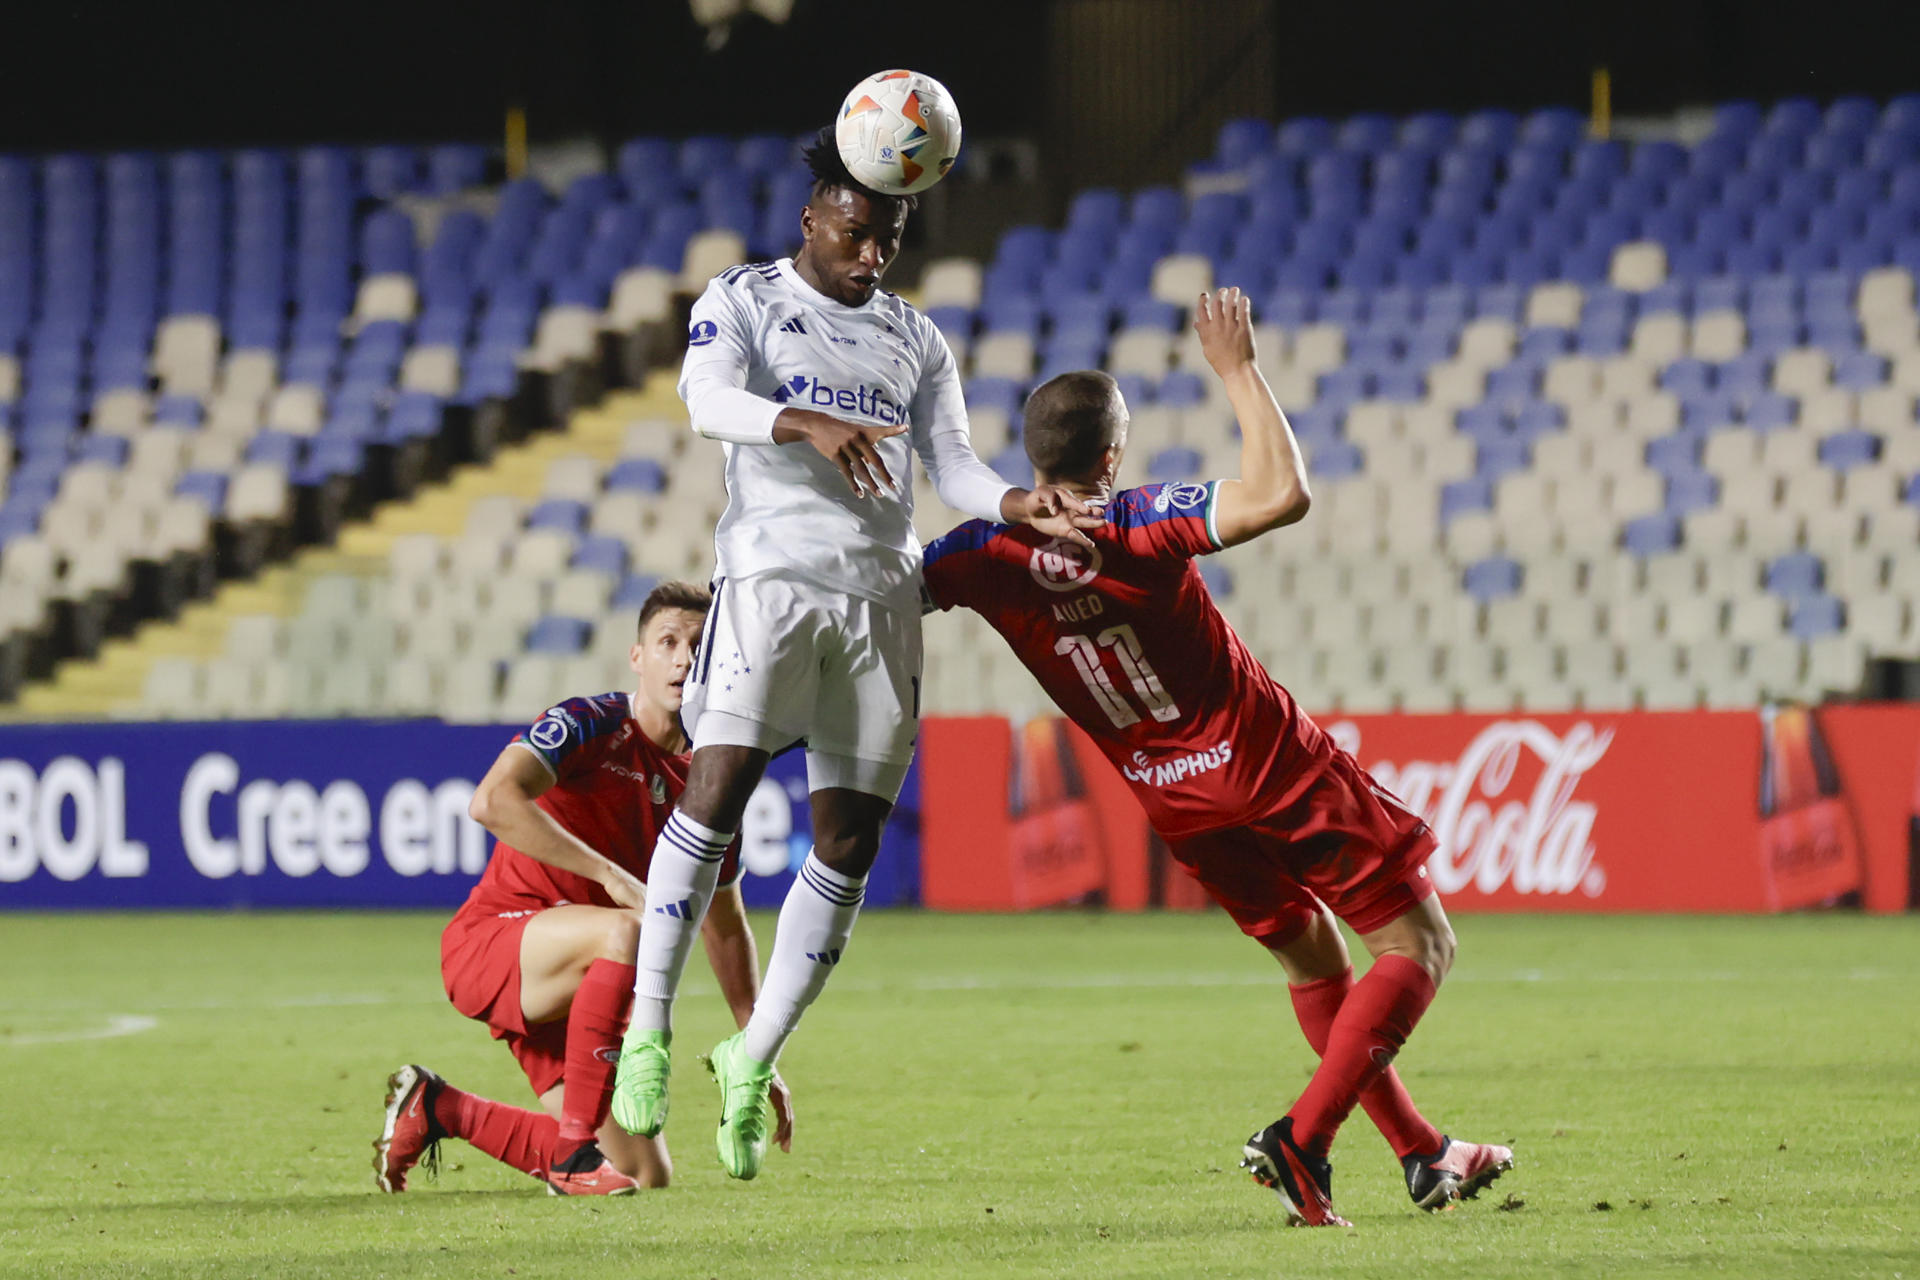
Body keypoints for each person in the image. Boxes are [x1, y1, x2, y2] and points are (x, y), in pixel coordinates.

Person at [921, 288, 1512, 1227]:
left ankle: (1424, 1154)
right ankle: (1302, 1141)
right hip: (1273, 764)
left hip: (1173, 802)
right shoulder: (1135, 520)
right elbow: (1282, 494)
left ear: (1036, 458)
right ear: (1111, 457)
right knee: (1418, 944)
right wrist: (1236, 367)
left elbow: (885, 588)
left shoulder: (978, 550)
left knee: (1316, 961)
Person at [608, 127, 1104, 1183]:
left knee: (847, 844)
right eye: (858, 231)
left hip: (884, 596)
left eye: (889, 237)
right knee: (718, 789)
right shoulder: (740, 297)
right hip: (772, 579)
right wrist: (803, 421)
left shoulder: (917, 340)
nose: (873, 252)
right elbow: (703, 403)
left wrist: (1024, 503)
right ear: (814, 220)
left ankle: (752, 1053)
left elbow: (957, 468)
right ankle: (646, 1032)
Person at [372, 581, 791, 1197]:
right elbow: (491, 800)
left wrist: (759, 1055)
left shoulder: (712, 780)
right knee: (627, 930)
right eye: (667, 642)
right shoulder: (588, 724)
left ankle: (437, 1108)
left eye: (698, 648)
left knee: (644, 1174)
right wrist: (607, 876)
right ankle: (570, 1154)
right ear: (637, 657)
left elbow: (724, 924)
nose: (681, 659)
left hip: (589, 979)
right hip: (498, 945)